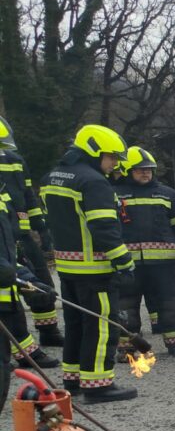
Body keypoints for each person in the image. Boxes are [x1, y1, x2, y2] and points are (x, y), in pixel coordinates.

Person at [38, 124, 138, 402]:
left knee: (76, 326)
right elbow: (103, 227)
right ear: (94, 152)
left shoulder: (53, 177)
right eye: (112, 157)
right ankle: (98, 386)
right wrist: (123, 260)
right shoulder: (93, 182)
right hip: (95, 269)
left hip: (67, 267)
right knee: (101, 326)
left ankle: (73, 380)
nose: (115, 163)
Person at [113, 146, 175, 360]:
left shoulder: (167, 193)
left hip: (163, 265)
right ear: (127, 170)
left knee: (169, 302)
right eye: (140, 169)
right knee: (126, 304)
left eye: (149, 169)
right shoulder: (114, 193)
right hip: (128, 264)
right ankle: (127, 347)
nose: (145, 172)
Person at [0, 116, 63, 347]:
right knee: (10, 291)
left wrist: (41, 227)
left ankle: (48, 331)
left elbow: (28, 195)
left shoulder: (15, 160)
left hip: (23, 234)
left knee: (42, 282)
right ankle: (20, 345)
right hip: (4, 236)